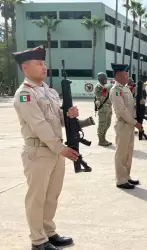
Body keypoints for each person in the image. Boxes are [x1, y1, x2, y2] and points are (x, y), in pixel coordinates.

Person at [12, 45, 79, 250]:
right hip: (38, 152)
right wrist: (60, 148)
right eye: (39, 63)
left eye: (44, 63)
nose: (44, 67)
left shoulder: (48, 91)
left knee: (52, 196)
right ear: (25, 68)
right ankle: (38, 240)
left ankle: (49, 232)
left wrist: (69, 115)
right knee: (37, 198)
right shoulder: (25, 94)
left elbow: (55, 119)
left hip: (54, 151)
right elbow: (39, 125)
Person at [109, 63, 143, 189]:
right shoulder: (116, 90)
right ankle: (121, 180)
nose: (127, 76)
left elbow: (131, 107)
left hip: (129, 124)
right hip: (123, 125)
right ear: (117, 74)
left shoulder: (126, 88)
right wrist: (135, 123)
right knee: (121, 153)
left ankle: (126, 176)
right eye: (125, 74)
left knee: (128, 152)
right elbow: (121, 110)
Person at [94, 72, 113, 146]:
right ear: (100, 79)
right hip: (103, 108)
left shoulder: (103, 86)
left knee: (107, 124)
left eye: (106, 78)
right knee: (102, 124)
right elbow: (102, 96)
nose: (106, 80)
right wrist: (110, 87)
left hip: (108, 107)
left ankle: (104, 138)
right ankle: (101, 140)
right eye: (104, 79)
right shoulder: (98, 87)